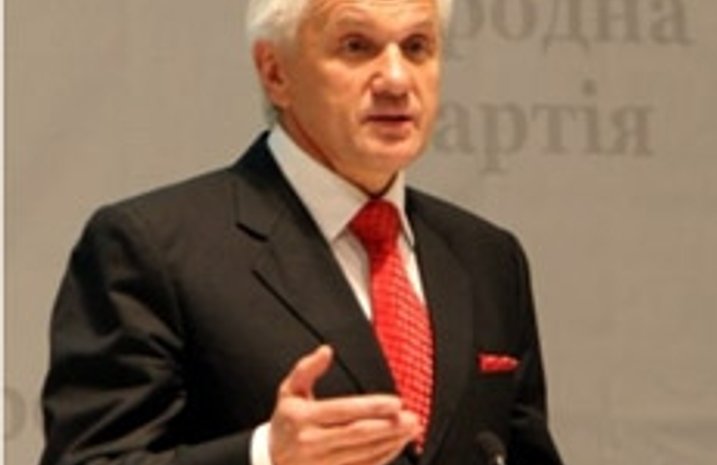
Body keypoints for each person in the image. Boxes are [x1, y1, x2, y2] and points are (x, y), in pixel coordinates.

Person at [40, 0, 565, 464]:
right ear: (275, 74)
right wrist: (267, 456)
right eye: (356, 46)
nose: (396, 79)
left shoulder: (488, 258)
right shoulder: (152, 247)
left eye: (416, 47)